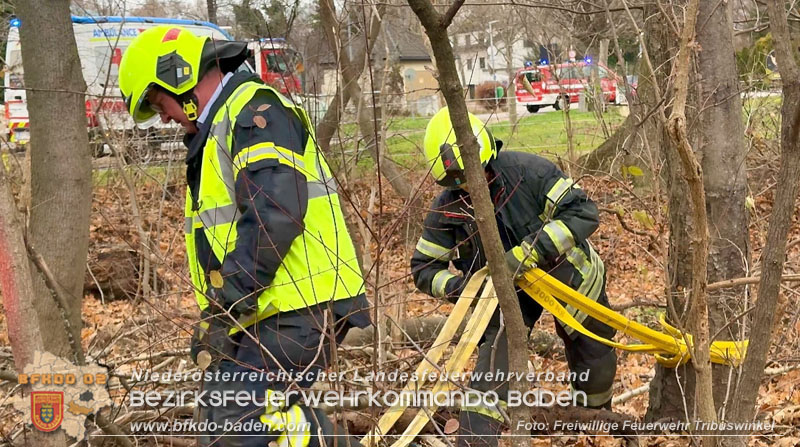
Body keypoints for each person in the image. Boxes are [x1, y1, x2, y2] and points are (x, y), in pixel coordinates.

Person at [119, 26, 369, 447]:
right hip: (265, 309)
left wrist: (225, 306)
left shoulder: (256, 111)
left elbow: (276, 215)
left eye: (156, 102)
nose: (162, 116)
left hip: (300, 308)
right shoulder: (222, 125)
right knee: (221, 422)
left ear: (177, 77)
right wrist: (218, 319)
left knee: (236, 428)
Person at [411, 107, 617, 447]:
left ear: (487, 156)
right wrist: (461, 289)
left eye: (468, 175)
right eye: (454, 181)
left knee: (596, 358)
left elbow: (583, 212)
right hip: (501, 297)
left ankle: (590, 426)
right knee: (493, 369)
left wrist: (530, 250)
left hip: (569, 278)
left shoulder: (529, 173)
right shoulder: (447, 208)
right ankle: (477, 442)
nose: (464, 186)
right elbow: (423, 268)